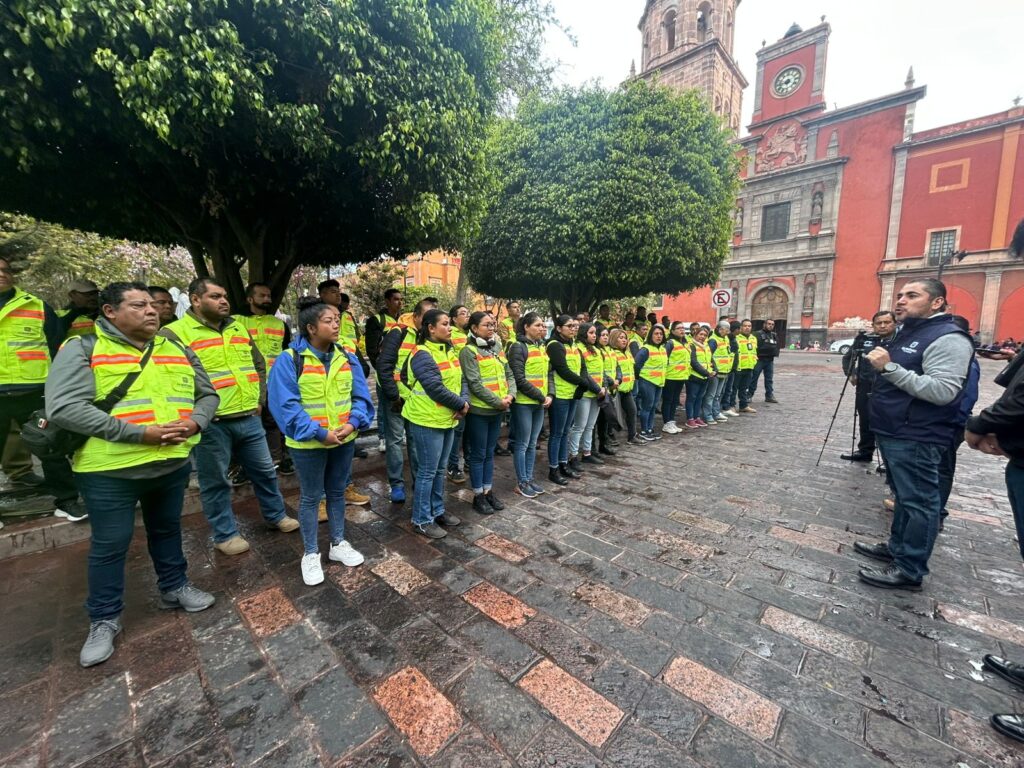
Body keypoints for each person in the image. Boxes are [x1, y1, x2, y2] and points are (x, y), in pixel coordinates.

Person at [46, 282, 218, 667]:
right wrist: (139, 434)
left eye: (153, 305)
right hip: (109, 471)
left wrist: (195, 422)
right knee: (111, 544)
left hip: (170, 463)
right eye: (139, 305)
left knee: (167, 530)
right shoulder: (83, 348)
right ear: (110, 311)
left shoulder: (175, 346)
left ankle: (175, 587)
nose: (152, 311)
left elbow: (207, 394)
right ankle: (104, 618)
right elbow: (65, 408)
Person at [161, 277, 299, 555]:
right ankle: (225, 534)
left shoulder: (237, 327)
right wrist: (196, 416)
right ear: (195, 300)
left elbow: (258, 364)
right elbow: (168, 380)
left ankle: (275, 515)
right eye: (215, 296)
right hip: (211, 423)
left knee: (265, 472)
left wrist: (259, 400)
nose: (223, 301)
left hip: (248, 417)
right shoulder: (174, 333)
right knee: (215, 482)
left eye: (224, 295)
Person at [854, 279, 975, 591]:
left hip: (918, 433)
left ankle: (910, 569)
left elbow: (943, 390)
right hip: (895, 429)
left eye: (911, 295)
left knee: (920, 501)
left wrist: (889, 369)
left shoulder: (949, 338)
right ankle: (897, 548)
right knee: (903, 497)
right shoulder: (911, 332)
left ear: (936, 302)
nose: (901, 301)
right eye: (900, 295)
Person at [268, 297, 374, 586]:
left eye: (337, 319)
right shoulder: (289, 360)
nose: (336, 324)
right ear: (311, 328)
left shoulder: (347, 357)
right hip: (308, 445)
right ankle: (311, 553)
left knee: (337, 492)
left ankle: (338, 543)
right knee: (311, 497)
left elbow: (361, 397)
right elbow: (287, 406)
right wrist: (319, 433)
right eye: (329, 321)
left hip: (343, 439)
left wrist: (352, 423)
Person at [0, 256, 85, 521]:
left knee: (51, 446)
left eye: (5, 270)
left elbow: (55, 344)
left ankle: (67, 501)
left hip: (34, 391)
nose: (2, 274)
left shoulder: (36, 306)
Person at [402, 309, 469, 538]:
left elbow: (462, 380)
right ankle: (421, 519)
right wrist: (461, 405)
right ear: (431, 328)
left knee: (440, 469)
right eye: (445, 324)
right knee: (427, 472)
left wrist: (464, 402)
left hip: (447, 418)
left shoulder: (449, 350)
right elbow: (434, 388)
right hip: (426, 419)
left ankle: (438, 510)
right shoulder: (422, 353)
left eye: (449, 324)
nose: (449, 328)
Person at [377, 298, 437, 503]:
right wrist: (393, 395)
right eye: (426, 318)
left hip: (415, 397)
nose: (429, 322)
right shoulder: (398, 332)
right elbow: (384, 366)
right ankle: (396, 484)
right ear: (416, 316)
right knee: (395, 440)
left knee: (415, 439)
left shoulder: (427, 336)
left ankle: (418, 481)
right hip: (394, 396)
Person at [236, 283, 294, 476]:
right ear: (250, 299)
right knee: (248, 425)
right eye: (262, 295)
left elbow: (286, 352)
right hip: (245, 383)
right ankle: (245, 465)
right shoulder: (235, 322)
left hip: (274, 381)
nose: (268, 299)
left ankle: (278, 459)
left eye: (269, 295)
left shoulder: (279, 324)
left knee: (275, 421)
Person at [460, 311, 515, 513]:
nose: (491, 328)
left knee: (490, 453)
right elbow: (474, 383)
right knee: (478, 454)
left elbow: (509, 374)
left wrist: (511, 395)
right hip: (480, 412)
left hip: (498, 410)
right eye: (486, 325)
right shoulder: (468, 351)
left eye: (492, 324)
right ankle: (478, 495)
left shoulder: (497, 347)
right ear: (474, 328)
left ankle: (488, 491)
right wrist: (498, 402)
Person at [840, 311, 896, 462]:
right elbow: (848, 357)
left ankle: (889, 460)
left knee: (888, 421)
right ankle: (865, 451)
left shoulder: (901, 340)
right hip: (865, 385)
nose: (883, 326)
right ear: (873, 325)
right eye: (879, 323)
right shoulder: (864, 339)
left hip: (889, 387)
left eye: (887, 322)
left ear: (894, 324)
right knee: (865, 419)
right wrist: (851, 373)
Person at [508, 312, 552, 496]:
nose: (542, 328)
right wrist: (541, 397)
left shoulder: (541, 346)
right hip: (524, 403)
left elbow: (548, 374)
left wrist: (550, 394)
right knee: (523, 443)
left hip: (539, 403)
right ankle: (521, 482)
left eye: (542, 325)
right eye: (537, 325)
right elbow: (519, 378)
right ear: (526, 327)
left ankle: (529, 478)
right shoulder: (518, 347)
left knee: (533, 443)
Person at [546, 316, 591, 483]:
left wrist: (582, 383)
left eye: (574, 326)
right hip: (560, 395)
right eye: (569, 326)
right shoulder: (554, 345)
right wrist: (582, 383)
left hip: (573, 394)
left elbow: (583, 367)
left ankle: (563, 463)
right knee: (557, 433)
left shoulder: (574, 345)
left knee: (565, 431)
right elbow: (562, 370)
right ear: (559, 328)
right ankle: (553, 469)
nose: (573, 328)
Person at [364, 288, 403, 455]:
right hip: (385, 370)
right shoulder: (377, 320)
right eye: (395, 299)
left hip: (400, 371)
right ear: (387, 301)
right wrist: (381, 367)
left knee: (398, 403)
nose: (399, 302)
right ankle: (382, 437)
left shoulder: (402, 319)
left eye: (401, 299)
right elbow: (372, 348)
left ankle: (396, 434)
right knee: (384, 405)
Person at [567, 323, 608, 469]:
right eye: (591, 333)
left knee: (590, 426)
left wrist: (604, 387)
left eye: (595, 333)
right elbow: (584, 373)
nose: (594, 335)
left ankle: (587, 453)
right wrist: (598, 389)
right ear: (584, 333)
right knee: (579, 426)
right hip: (585, 393)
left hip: (597, 393)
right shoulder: (578, 349)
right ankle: (572, 456)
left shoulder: (597, 349)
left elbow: (602, 372)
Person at [445, 305, 471, 484]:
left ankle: (468, 461)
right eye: (463, 314)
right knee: (457, 429)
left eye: (468, 313)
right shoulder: (451, 335)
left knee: (468, 429)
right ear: (454, 319)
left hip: (471, 387)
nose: (467, 316)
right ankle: (452, 466)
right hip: (458, 387)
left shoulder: (469, 335)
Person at [634, 324, 669, 441]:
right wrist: (641, 378)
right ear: (651, 335)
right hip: (647, 381)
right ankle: (644, 430)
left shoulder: (663, 349)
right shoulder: (645, 349)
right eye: (656, 334)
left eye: (661, 334)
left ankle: (650, 429)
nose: (659, 336)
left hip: (659, 382)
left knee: (653, 406)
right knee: (647, 406)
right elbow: (637, 365)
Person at [608, 329, 640, 445]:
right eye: (620, 338)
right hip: (616, 389)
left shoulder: (627, 352)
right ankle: (609, 436)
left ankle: (632, 436)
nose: (624, 340)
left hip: (627, 389)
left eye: (625, 338)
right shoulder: (612, 353)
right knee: (612, 415)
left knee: (632, 411)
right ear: (613, 339)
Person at [594, 326, 620, 455]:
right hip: (601, 389)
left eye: (606, 335)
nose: (605, 337)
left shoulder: (611, 350)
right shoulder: (596, 350)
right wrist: (611, 382)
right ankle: (592, 448)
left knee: (604, 420)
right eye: (602, 335)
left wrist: (618, 379)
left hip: (611, 389)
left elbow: (618, 367)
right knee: (596, 421)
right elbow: (601, 371)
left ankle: (604, 444)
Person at [704, 320, 735, 424]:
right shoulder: (713, 340)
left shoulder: (725, 338)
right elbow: (708, 356)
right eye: (727, 330)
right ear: (720, 329)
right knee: (711, 395)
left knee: (718, 395)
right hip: (715, 372)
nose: (728, 332)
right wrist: (713, 369)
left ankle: (716, 413)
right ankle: (708, 415)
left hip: (724, 371)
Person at [661, 321, 690, 433]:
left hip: (681, 376)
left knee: (674, 401)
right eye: (679, 328)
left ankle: (671, 421)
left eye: (683, 328)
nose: (682, 330)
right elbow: (664, 358)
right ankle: (666, 423)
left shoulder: (684, 343)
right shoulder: (670, 343)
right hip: (670, 376)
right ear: (672, 331)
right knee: (668, 400)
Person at [685, 326, 714, 428]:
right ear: (695, 334)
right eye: (700, 334)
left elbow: (710, 360)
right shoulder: (691, 345)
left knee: (699, 398)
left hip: (705, 377)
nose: (702, 337)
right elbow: (693, 362)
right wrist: (706, 373)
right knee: (691, 398)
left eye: (705, 335)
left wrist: (714, 369)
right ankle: (690, 418)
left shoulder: (706, 346)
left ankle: (696, 417)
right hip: (694, 376)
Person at [748, 319, 780, 402]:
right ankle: (749, 395)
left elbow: (777, 347)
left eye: (772, 324)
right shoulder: (756, 334)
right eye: (769, 324)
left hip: (770, 360)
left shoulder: (774, 335)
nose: (770, 326)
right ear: (764, 324)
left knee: (769, 379)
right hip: (759, 360)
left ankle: (769, 396)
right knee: (754, 378)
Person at [732, 319, 759, 414]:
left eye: (749, 326)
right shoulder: (736, 338)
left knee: (744, 388)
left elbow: (754, 352)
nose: (747, 328)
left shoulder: (753, 338)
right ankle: (731, 406)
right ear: (741, 327)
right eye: (745, 326)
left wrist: (754, 361)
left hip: (749, 366)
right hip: (738, 367)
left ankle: (743, 406)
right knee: (734, 388)